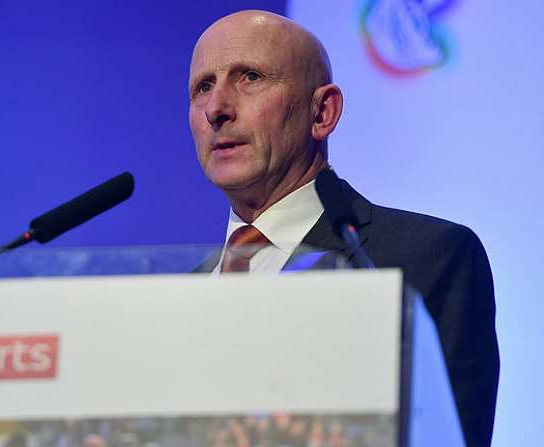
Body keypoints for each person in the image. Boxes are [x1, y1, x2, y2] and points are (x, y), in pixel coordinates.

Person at [188, 10, 499, 447]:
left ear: (323, 112)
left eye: (250, 77)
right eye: (203, 86)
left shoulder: (423, 258)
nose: (216, 108)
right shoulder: (181, 293)